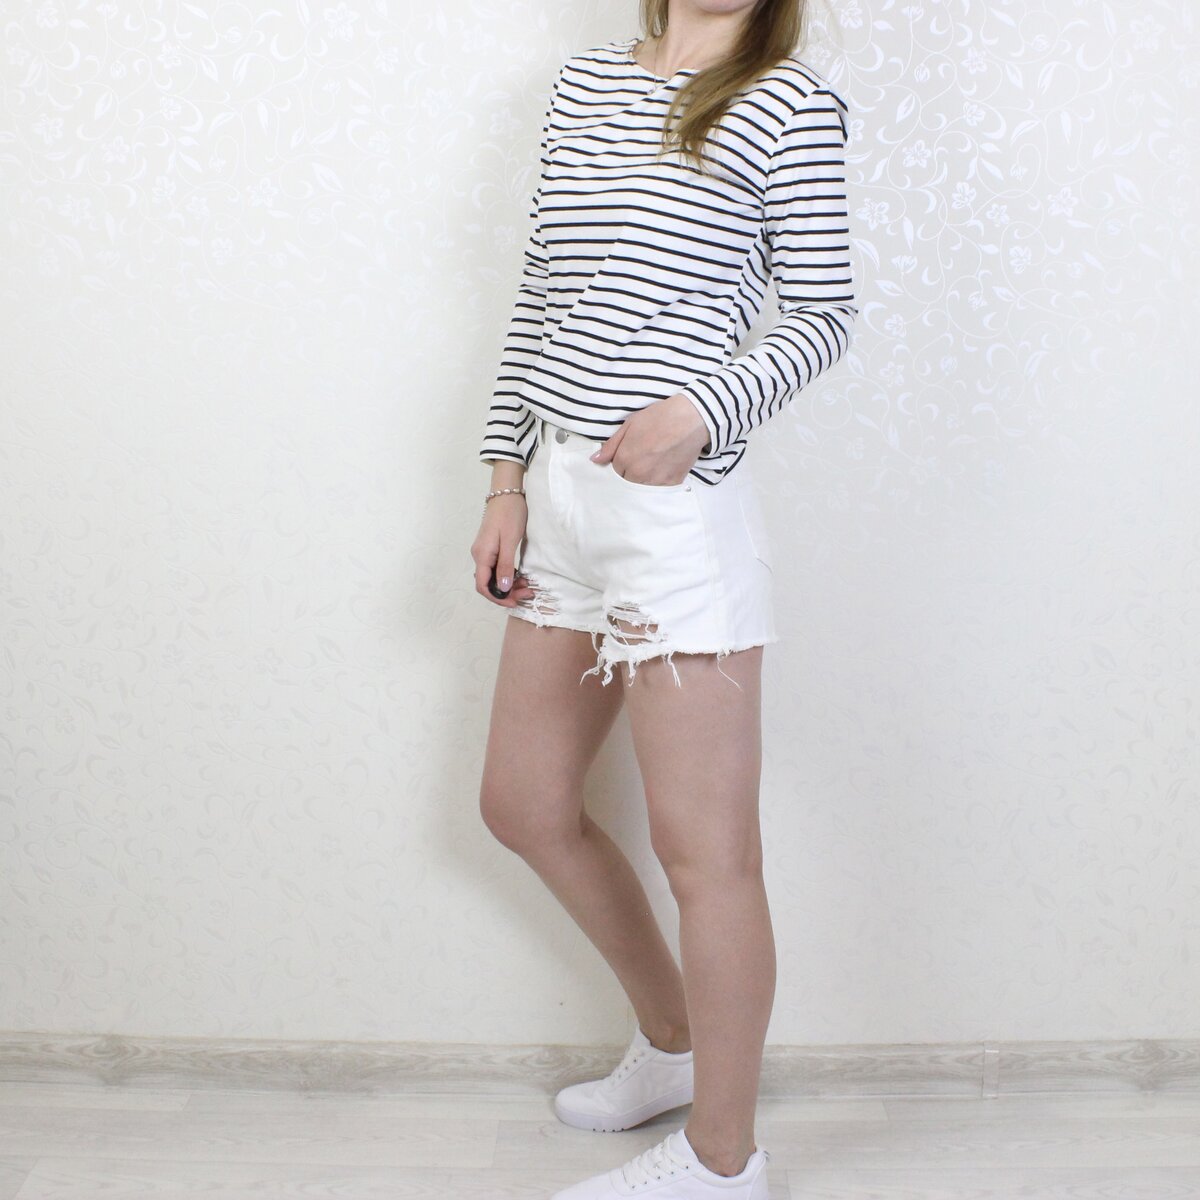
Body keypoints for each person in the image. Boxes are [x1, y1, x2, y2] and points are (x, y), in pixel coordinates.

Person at [472, 1, 857, 1196]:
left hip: (674, 516)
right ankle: (673, 1042)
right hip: (559, 495)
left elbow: (827, 312)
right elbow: (542, 292)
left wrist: (699, 412)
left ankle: (723, 1160)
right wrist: (504, 478)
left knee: (708, 855)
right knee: (523, 802)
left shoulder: (787, 100)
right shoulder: (584, 86)